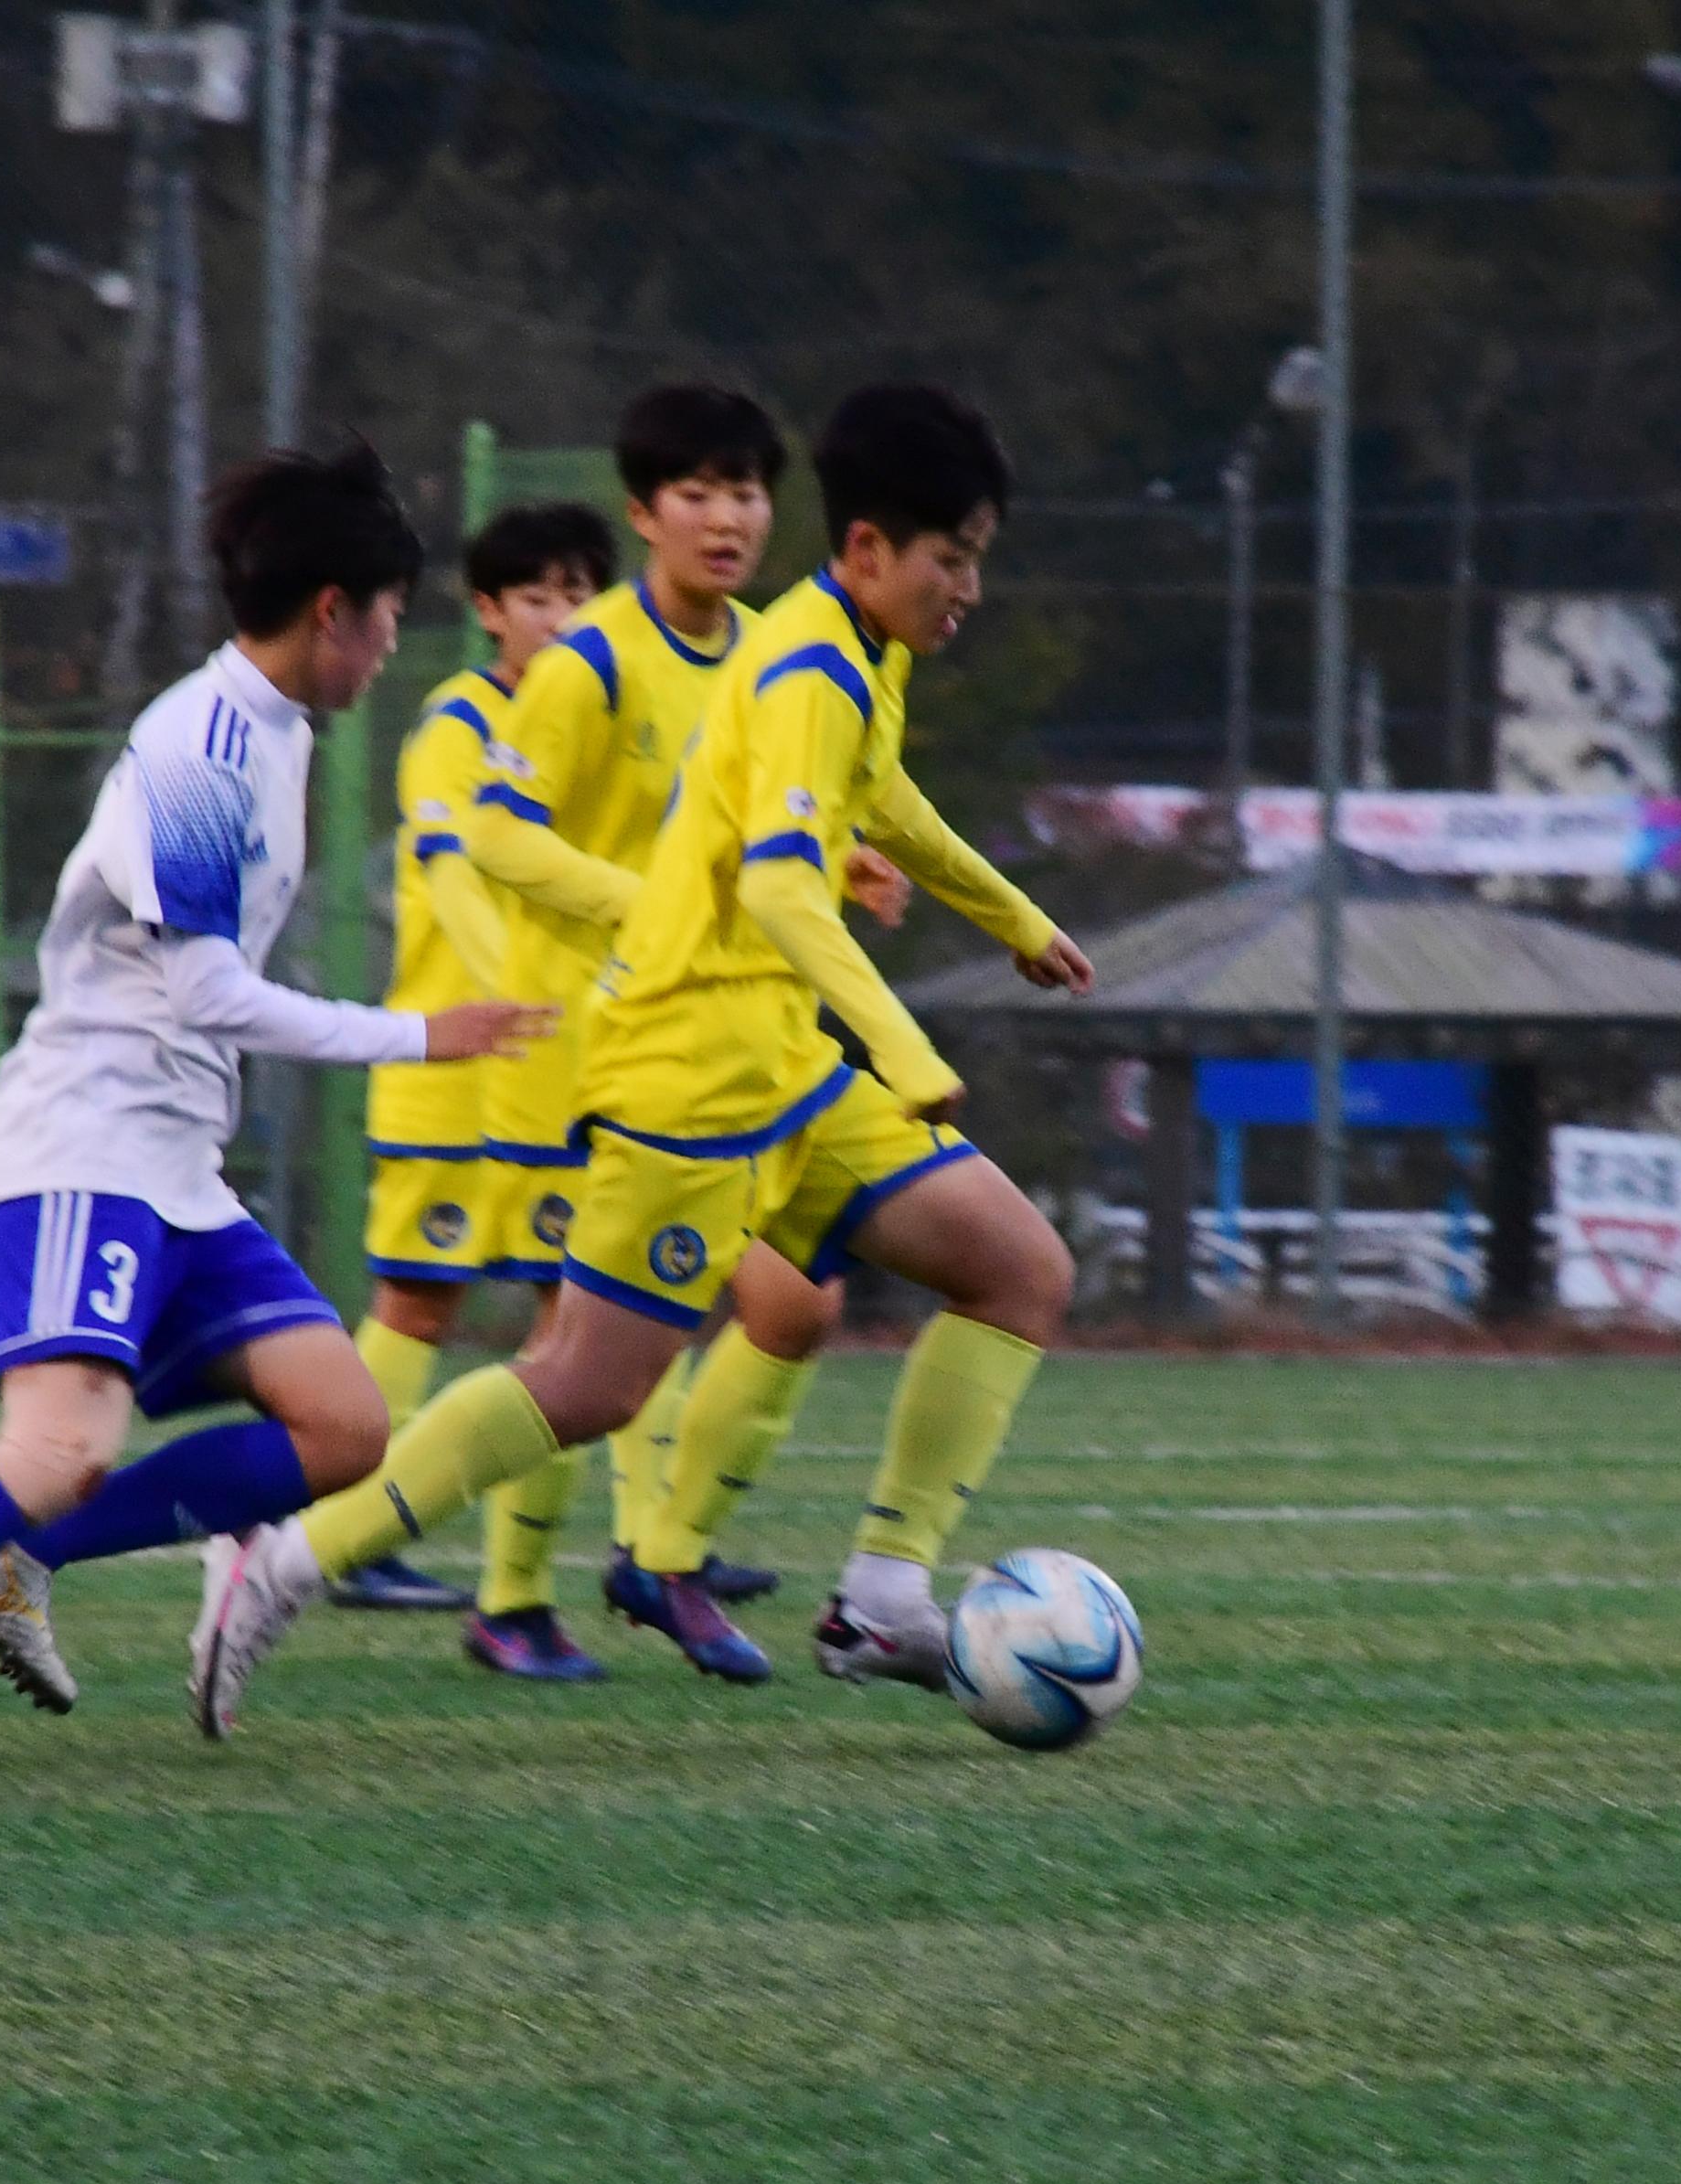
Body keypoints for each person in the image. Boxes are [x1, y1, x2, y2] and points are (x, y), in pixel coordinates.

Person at [180, 384, 1092, 1739]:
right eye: (950, 559)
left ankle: (887, 1593)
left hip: (778, 1061)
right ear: (865, 553)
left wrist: (1013, 917)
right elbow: (785, 892)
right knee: (586, 1386)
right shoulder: (799, 670)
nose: (968, 588)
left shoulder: (854, 653)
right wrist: (903, 1047)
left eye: (977, 558)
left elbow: (880, 798)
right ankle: (291, 1558)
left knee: (1021, 1270)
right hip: (685, 1077)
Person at [0, 443, 548, 1762]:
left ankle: (16, 1561)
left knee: (342, 1424)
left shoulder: (271, 738)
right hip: (84, 1142)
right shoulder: (200, 750)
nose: (396, 646)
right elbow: (212, 991)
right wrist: (419, 1035)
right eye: (391, 616)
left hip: (171, 1162)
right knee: (62, 1444)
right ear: (333, 606)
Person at [410, 384, 898, 1685]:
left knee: (785, 1306)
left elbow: (763, 828)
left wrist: (844, 866)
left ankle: (662, 1549)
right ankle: (503, 1591)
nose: (731, 516)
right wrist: (656, 908)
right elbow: (493, 836)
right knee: (576, 1347)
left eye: (748, 491)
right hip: (588, 1048)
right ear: (650, 514)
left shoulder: (766, 653)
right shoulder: (587, 667)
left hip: (725, 1051)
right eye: (701, 492)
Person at [324, 499, 618, 1618]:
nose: (559, 615)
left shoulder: (587, 727)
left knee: (569, 1317)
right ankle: (345, 1527)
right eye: (535, 595)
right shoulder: (457, 723)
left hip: (558, 1072)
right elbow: (452, 867)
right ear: (488, 611)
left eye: (579, 593)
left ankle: (535, 1578)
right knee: (419, 1302)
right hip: (453, 1062)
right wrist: (516, 990)